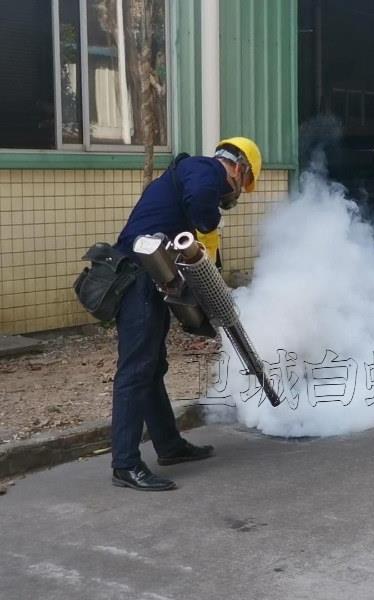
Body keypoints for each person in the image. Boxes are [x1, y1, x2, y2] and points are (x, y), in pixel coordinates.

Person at [111, 137, 262, 491]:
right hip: (138, 278)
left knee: (151, 367)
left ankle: (169, 446)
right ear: (239, 170)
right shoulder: (202, 170)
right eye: (243, 184)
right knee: (135, 371)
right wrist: (208, 225)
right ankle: (125, 465)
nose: (235, 195)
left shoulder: (190, 174)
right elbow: (201, 205)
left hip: (151, 277)